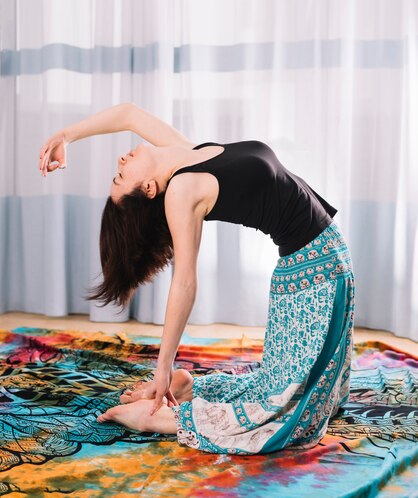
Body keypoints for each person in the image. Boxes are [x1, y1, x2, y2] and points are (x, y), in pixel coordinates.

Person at [39, 102, 355, 455]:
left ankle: (188, 389)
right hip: (312, 275)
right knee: (288, 415)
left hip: (316, 267)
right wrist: (163, 366)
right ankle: (155, 418)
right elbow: (185, 282)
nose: (120, 163)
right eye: (119, 178)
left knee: (291, 391)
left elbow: (129, 114)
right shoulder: (182, 190)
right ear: (147, 188)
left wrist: (67, 135)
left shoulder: (188, 156)